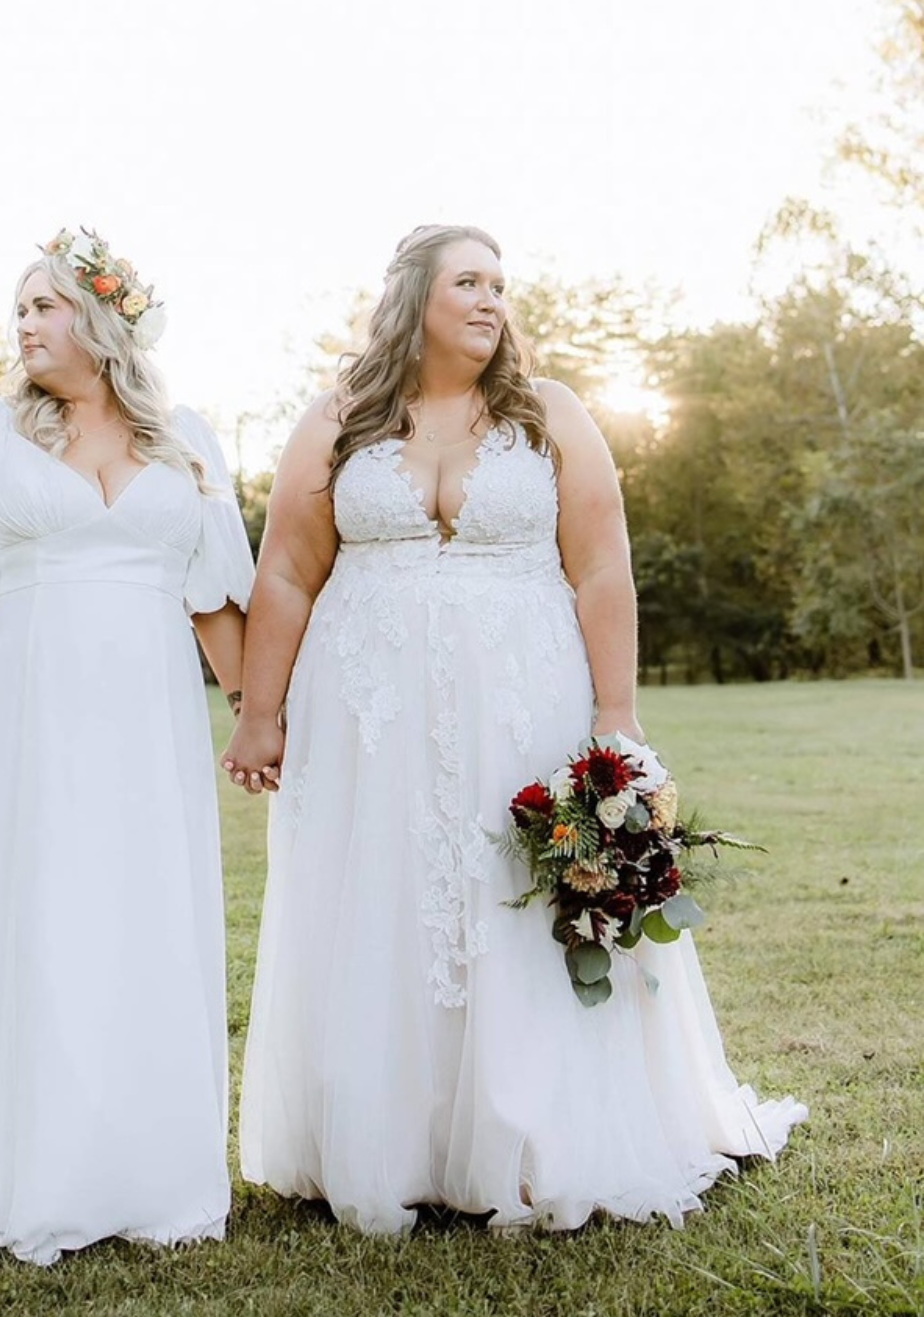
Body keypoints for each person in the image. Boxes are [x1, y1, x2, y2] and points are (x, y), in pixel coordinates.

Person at [223, 224, 806, 1235]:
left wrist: (615, 717)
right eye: (468, 282)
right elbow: (284, 570)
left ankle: (538, 1133)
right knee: (385, 901)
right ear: (414, 299)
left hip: (522, 700)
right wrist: (261, 714)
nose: (492, 300)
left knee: (513, 899)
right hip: (370, 712)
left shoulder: (554, 417)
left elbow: (602, 566)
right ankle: (390, 1137)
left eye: (500, 284)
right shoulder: (337, 418)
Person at [0, 227, 253, 1265]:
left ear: (104, 321)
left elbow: (218, 595)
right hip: (24, 706)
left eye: (43, 305)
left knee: (137, 917)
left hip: (148, 719)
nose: (25, 324)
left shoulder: (190, 439)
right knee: (30, 913)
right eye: (22, 308)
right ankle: (17, 1162)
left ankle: (139, 1165)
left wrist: (255, 715)